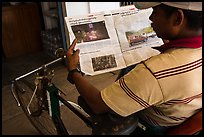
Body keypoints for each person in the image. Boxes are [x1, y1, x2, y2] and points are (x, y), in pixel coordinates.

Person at [66, 2, 202, 135]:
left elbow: (97, 103)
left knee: (94, 103)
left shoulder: (156, 71)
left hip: (153, 123)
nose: (150, 18)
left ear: (178, 18)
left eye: (155, 12)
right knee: (131, 67)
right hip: (184, 111)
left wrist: (73, 70)